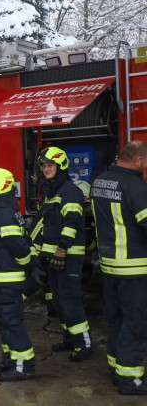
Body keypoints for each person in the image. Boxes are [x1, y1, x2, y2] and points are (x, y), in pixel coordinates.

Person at [90, 140, 147, 395]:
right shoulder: (136, 186)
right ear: (137, 160)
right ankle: (129, 379)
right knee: (137, 322)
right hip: (134, 267)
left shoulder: (100, 181)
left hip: (109, 266)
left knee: (116, 319)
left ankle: (116, 367)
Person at [0, 168, 43, 382]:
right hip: (2, 277)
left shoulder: (3, 213)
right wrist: (31, 263)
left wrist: (29, 266)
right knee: (5, 320)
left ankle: (23, 365)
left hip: (8, 278)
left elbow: (17, 246)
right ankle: (10, 358)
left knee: (12, 321)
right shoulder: (5, 211)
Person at [37, 146, 93, 362]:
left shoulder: (70, 191)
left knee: (70, 300)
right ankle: (70, 337)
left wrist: (61, 249)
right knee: (58, 301)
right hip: (55, 257)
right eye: (44, 166)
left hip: (68, 256)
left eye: (50, 165)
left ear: (61, 167)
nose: (46, 169)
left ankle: (84, 343)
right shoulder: (53, 192)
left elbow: (72, 223)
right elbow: (48, 225)